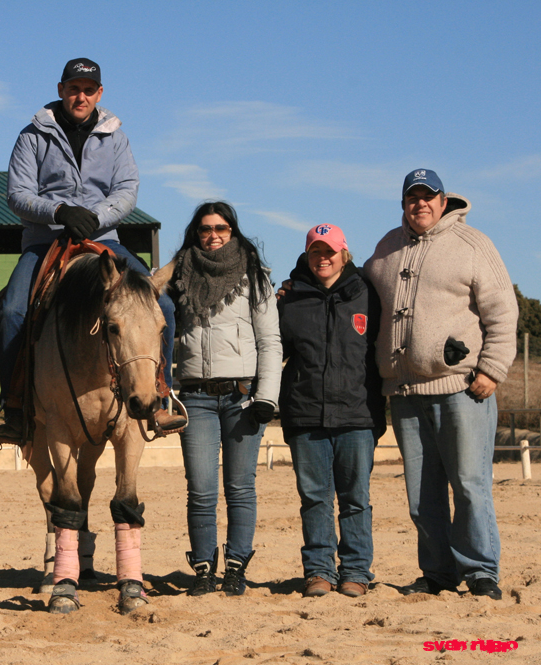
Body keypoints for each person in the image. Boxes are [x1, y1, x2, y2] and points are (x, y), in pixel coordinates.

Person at [0, 57, 184, 439]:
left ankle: (161, 396)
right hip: (46, 239)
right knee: (11, 310)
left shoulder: (116, 137)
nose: (80, 96)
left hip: (103, 239)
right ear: (61, 89)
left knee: (161, 304)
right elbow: (17, 194)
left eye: (88, 90)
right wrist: (59, 210)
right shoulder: (32, 136)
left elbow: (127, 190)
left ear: (99, 93)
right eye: (73, 88)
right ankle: (13, 405)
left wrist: (96, 218)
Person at [364, 169, 517, 601]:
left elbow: (503, 313)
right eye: (412, 198)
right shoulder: (385, 249)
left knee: (469, 485)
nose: (421, 205)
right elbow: (357, 291)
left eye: (429, 197)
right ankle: (437, 573)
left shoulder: (474, 245)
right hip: (406, 394)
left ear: (444, 200)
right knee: (421, 494)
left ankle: (481, 571)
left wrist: (492, 369)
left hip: (463, 389)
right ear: (403, 204)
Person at [160, 201, 281, 596]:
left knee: (241, 487)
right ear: (196, 232)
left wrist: (267, 396)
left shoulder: (254, 277)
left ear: (233, 231)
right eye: (205, 228)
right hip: (194, 395)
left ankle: (235, 567)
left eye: (221, 228)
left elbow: (269, 340)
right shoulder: (178, 276)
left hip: (242, 397)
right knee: (201, 488)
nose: (213, 235)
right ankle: (202, 569)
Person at [278, 224, 385, 598]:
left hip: (358, 415)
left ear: (344, 254)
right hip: (305, 414)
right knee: (315, 498)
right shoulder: (289, 300)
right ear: (307, 256)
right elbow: (276, 352)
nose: (323, 258)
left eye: (330, 251)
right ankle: (319, 571)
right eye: (315, 252)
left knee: (355, 499)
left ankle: (356, 570)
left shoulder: (368, 296)